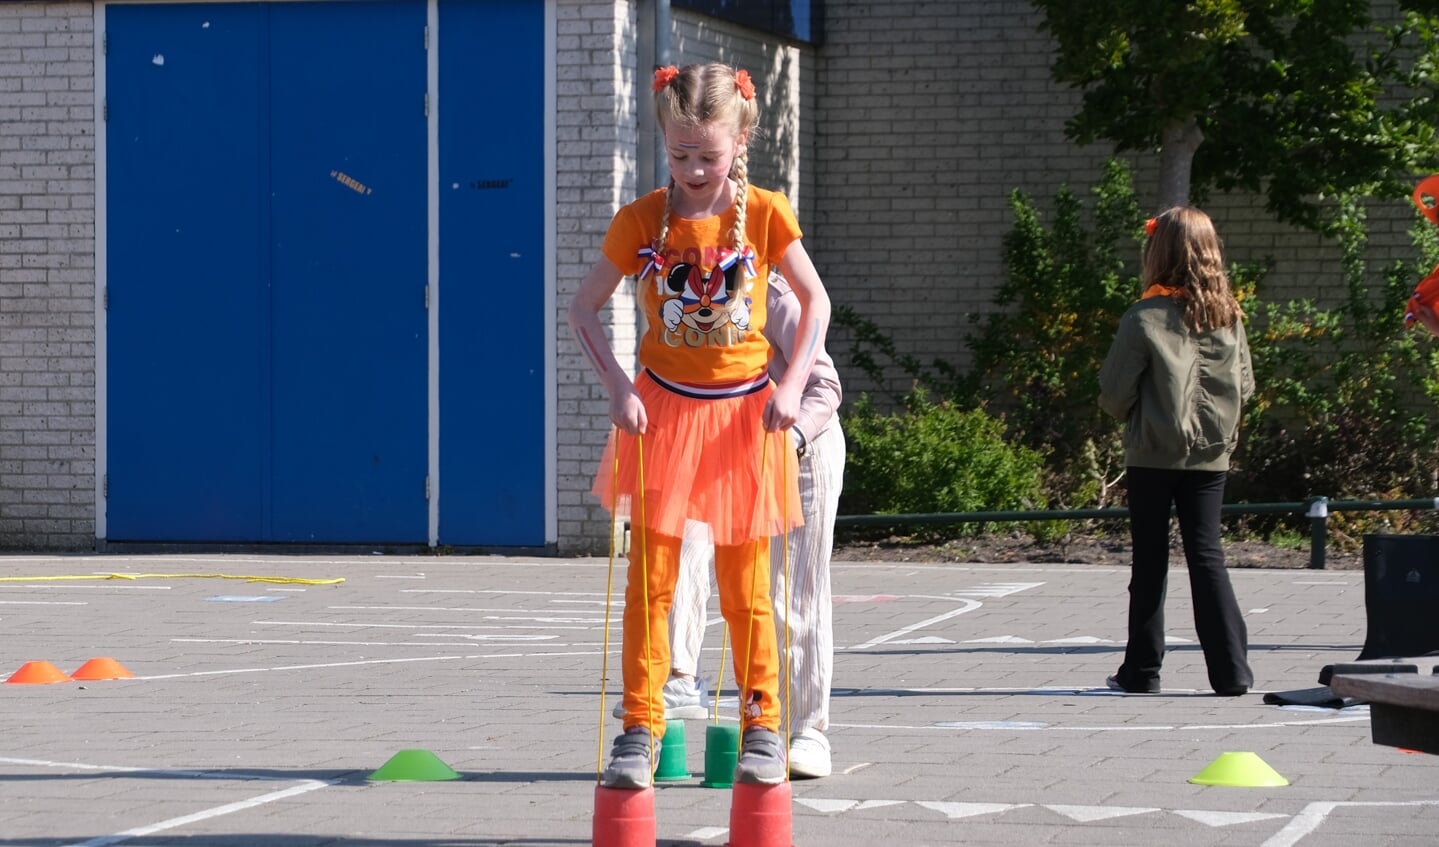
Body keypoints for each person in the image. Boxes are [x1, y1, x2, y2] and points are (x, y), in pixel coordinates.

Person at [568, 62, 832, 789]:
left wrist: (791, 382)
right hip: (661, 417)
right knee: (650, 584)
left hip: (742, 420)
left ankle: (762, 721)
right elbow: (582, 308)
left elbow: (816, 303)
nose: (691, 169)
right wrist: (618, 387)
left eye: (706, 157)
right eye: (678, 154)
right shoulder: (638, 219)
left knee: (745, 585)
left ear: (740, 141)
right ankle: (638, 726)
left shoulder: (769, 213)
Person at [662, 271, 845, 779]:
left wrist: (792, 439)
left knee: (792, 590)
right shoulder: (680, 296)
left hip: (802, 449)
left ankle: (808, 731)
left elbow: (824, 384)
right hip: (727, 452)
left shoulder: (773, 291)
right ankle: (679, 679)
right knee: (683, 547)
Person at [1097, 206, 1255, 698]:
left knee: (1149, 563)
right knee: (1208, 557)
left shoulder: (1144, 318)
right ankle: (1232, 672)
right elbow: (1246, 385)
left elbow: (1113, 395)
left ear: (1158, 252)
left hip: (1151, 453)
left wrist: (1141, 416)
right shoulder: (1229, 316)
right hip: (1210, 455)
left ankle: (1142, 671)